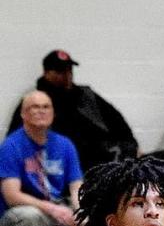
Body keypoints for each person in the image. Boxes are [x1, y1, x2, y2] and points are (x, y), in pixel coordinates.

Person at [8, 49, 138, 172]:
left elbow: (117, 122)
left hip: (103, 158)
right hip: (61, 165)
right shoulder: (36, 101)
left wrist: (131, 146)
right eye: (60, 71)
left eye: (69, 69)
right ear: (47, 73)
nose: (67, 75)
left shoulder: (86, 95)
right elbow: (15, 141)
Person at [0, 90, 82, 226]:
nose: (41, 111)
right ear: (23, 114)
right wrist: (52, 208)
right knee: (31, 217)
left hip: (55, 206)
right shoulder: (11, 146)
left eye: (46, 107)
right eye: (34, 107)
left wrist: (80, 211)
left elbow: (76, 185)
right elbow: (12, 196)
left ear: (53, 113)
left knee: (92, 218)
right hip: (18, 211)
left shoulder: (65, 144)